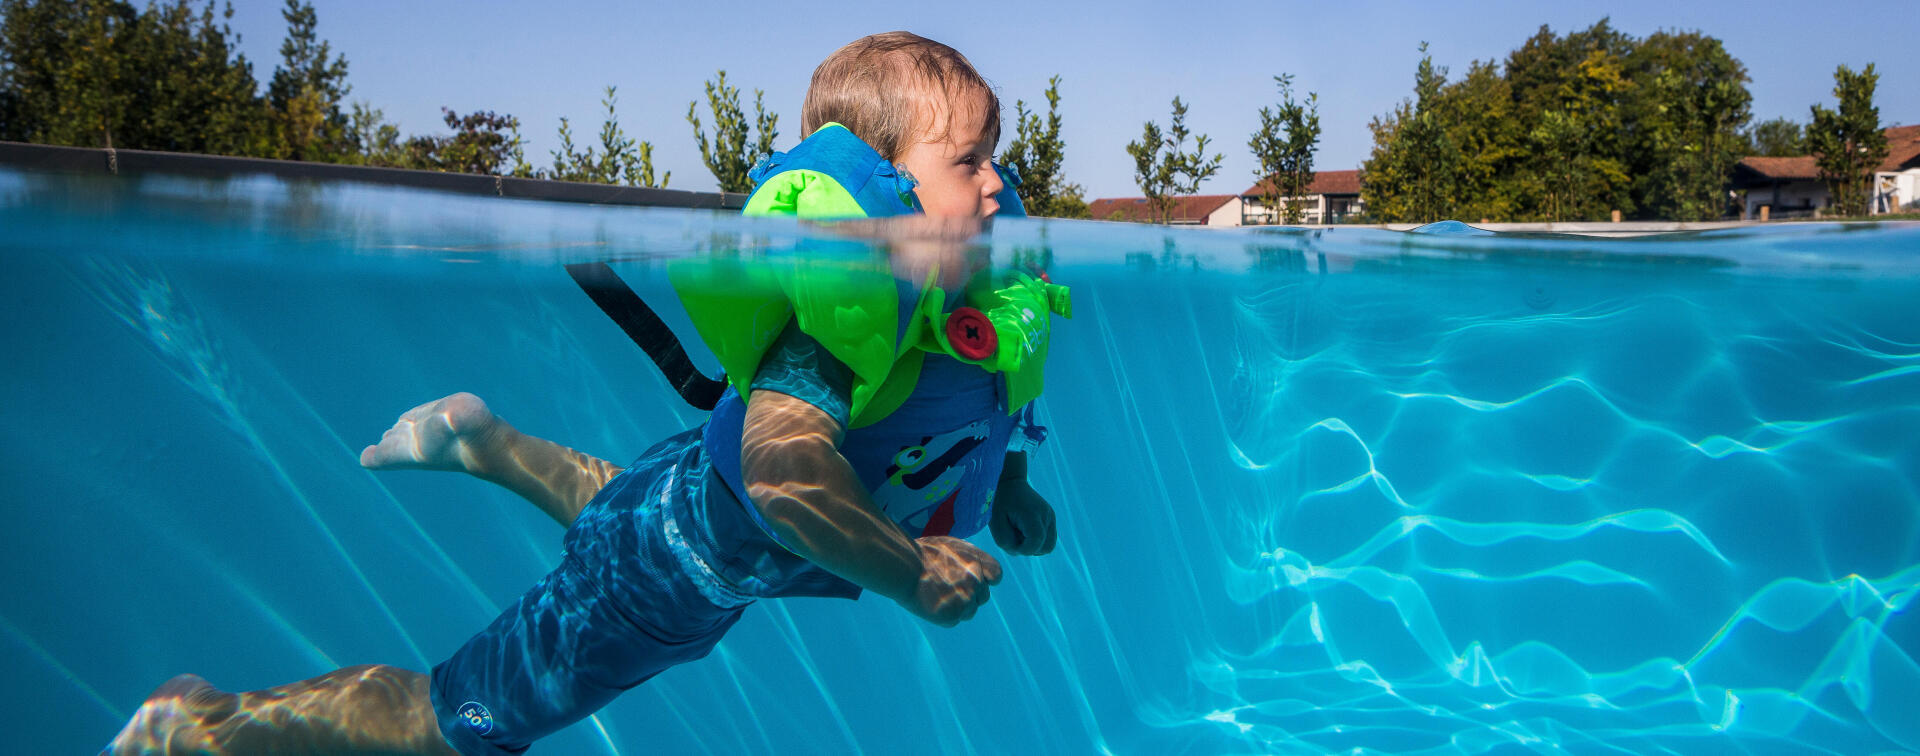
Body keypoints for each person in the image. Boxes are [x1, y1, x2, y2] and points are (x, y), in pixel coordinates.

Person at [107, 31, 1069, 755]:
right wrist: (908, 572)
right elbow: (783, 481)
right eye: (968, 162)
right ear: (887, 189)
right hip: (674, 574)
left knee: (640, 507)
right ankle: (209, 719)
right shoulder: (829, 346)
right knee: (455, 722)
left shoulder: (953, 309)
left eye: (995, 156)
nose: (998, 186)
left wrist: (1011, 485)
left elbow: (979, 407)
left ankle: (483, 442)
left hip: (696, 515)